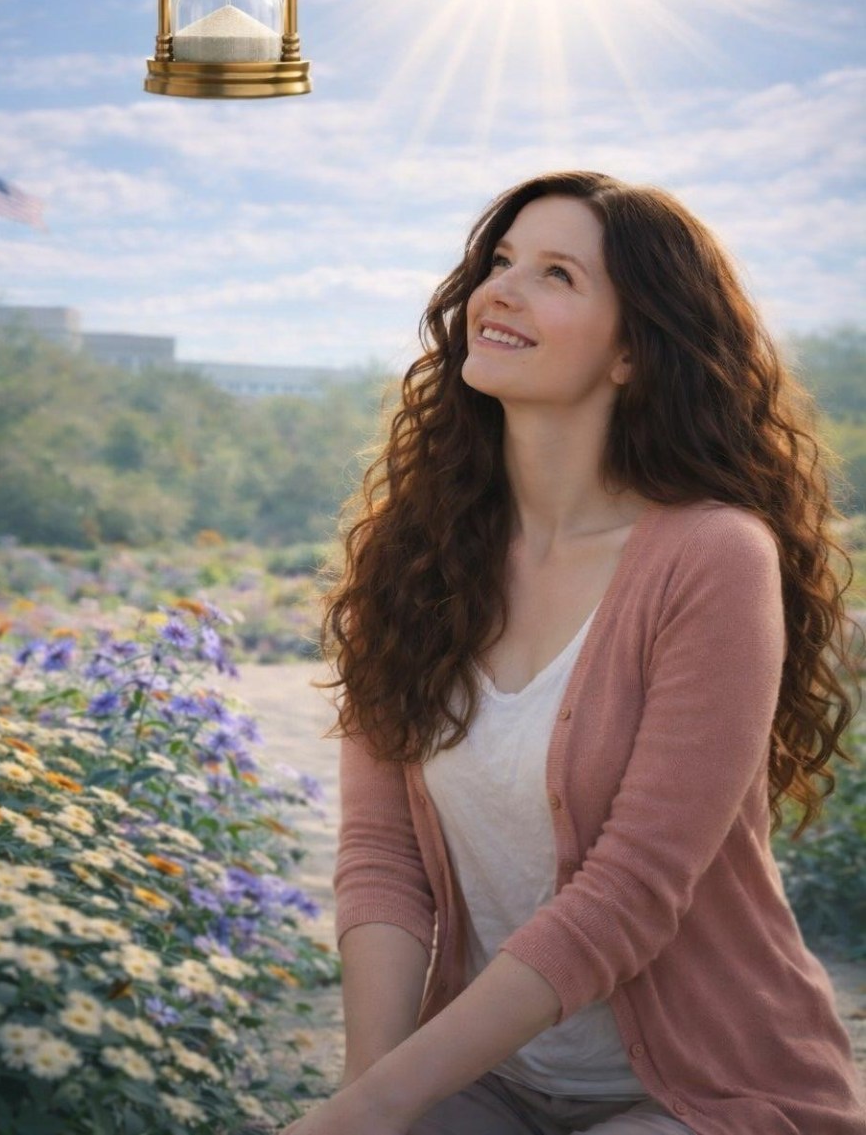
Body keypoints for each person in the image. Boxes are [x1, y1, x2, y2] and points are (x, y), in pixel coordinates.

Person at [279, 170, 865, 1135]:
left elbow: (629, 893)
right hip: (492, 1078)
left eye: (557, 274)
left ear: (633, 349)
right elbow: (383, 859)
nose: (499, 290)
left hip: (704, 1088)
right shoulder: (414, 555)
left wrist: (369, 1113)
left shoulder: (712, 556)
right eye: (500, 262)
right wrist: (371, 1097)